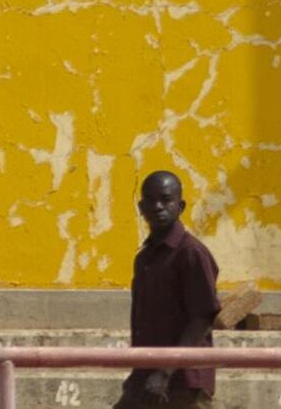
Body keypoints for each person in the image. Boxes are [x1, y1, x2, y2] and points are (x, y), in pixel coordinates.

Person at [113, 171, 220, 409]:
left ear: (180, 206)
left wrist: (164, 372)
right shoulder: (145, 257)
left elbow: (202, 319)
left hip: (182, 382)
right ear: (141, 207)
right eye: (150, 200)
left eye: (165, 199)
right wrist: (140, 372)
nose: (157, 206)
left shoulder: (191, 253)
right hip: (145, 377)